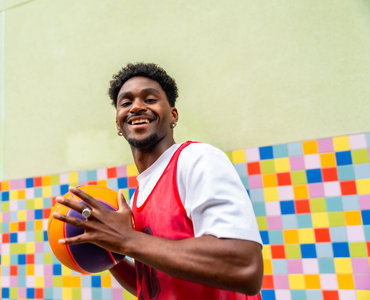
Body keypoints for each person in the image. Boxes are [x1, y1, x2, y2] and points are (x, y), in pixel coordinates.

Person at [53, 63, 263, 299]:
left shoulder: (197, 159)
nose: (137, 107)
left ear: (173, 115)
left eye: (150, 99)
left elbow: (245, 267)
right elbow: (152, 286)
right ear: (118, 124)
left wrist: (126, 240)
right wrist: (107, 247)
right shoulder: (138, 196)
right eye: (126, 103)